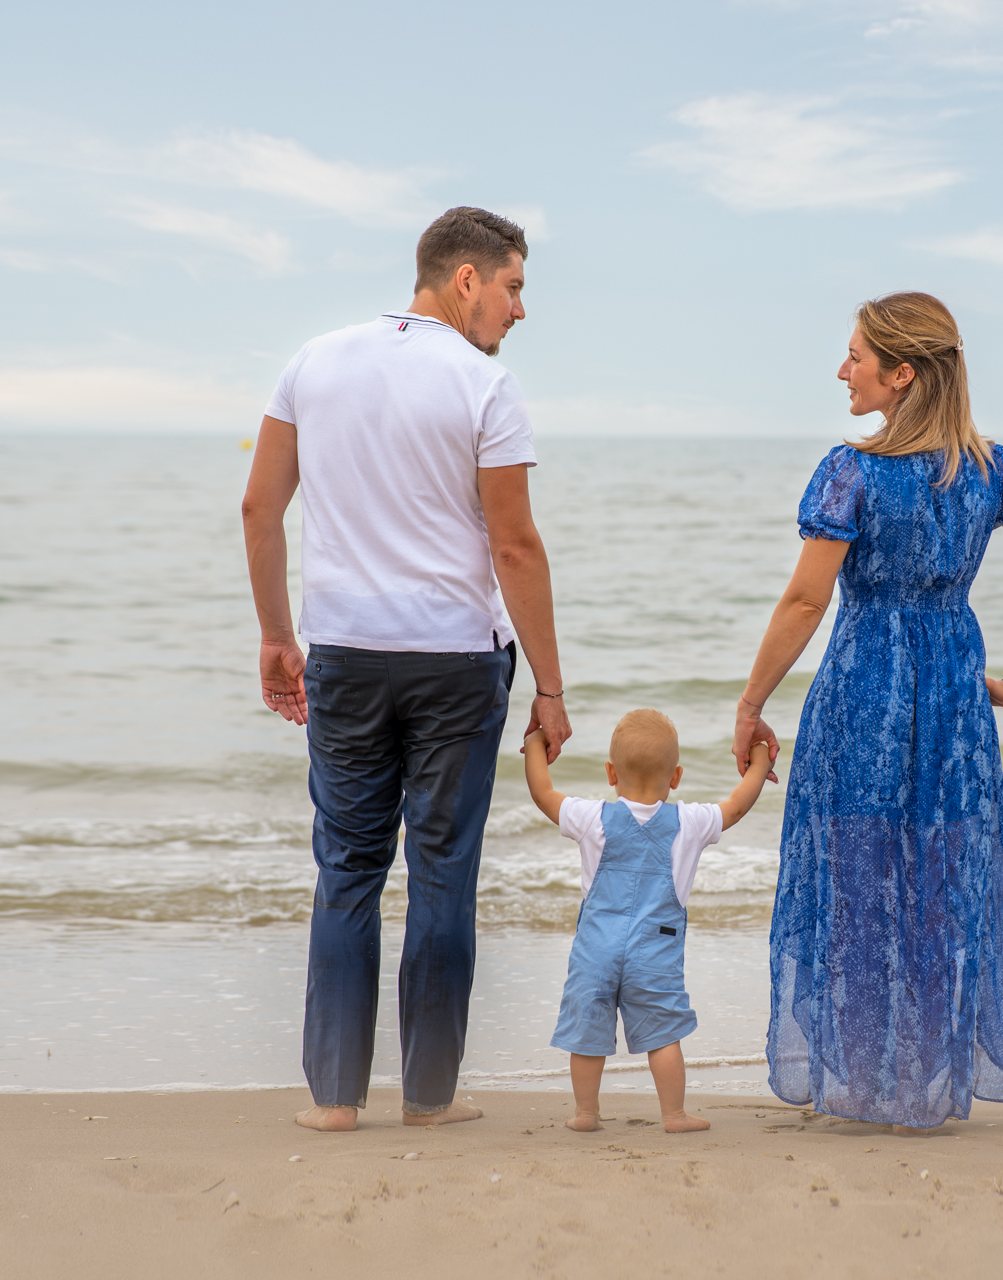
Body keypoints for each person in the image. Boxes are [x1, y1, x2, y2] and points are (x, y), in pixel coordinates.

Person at [241, 206, 573, 1133]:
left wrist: (278, 636)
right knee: (440, 873)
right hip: (458, 664)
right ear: (465, 280)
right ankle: (428, 1097)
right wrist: (548, 686)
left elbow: (260, 509)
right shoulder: (485, 385)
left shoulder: (313, 360)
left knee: (347, 867)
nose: (517, 311)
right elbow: (515, 545)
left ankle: (335, 1101)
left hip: (345, 654)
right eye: (512, 288)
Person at [732, 292, 1003, 1134]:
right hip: (954, 698)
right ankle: (927, 1086)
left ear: (903, 373)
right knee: (940, 884)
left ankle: (861, 1084)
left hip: (863, 692)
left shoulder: (853, 470)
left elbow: (806, 599)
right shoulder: (988, 468)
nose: (842, 370)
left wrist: (750, 702)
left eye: (856, 356)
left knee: (857, 881)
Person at [521, 710, 774, 1134]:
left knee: (587, 1031)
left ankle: (586, 1113)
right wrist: (761, 758)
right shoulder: (689, 823)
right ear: (675, 777)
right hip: (654, 951)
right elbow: (736, 805)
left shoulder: (590, 817)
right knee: (662, 1033)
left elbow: (542, 791)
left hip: (595, 949)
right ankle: (674, 1115)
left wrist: (534, 741)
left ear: (609, 773)